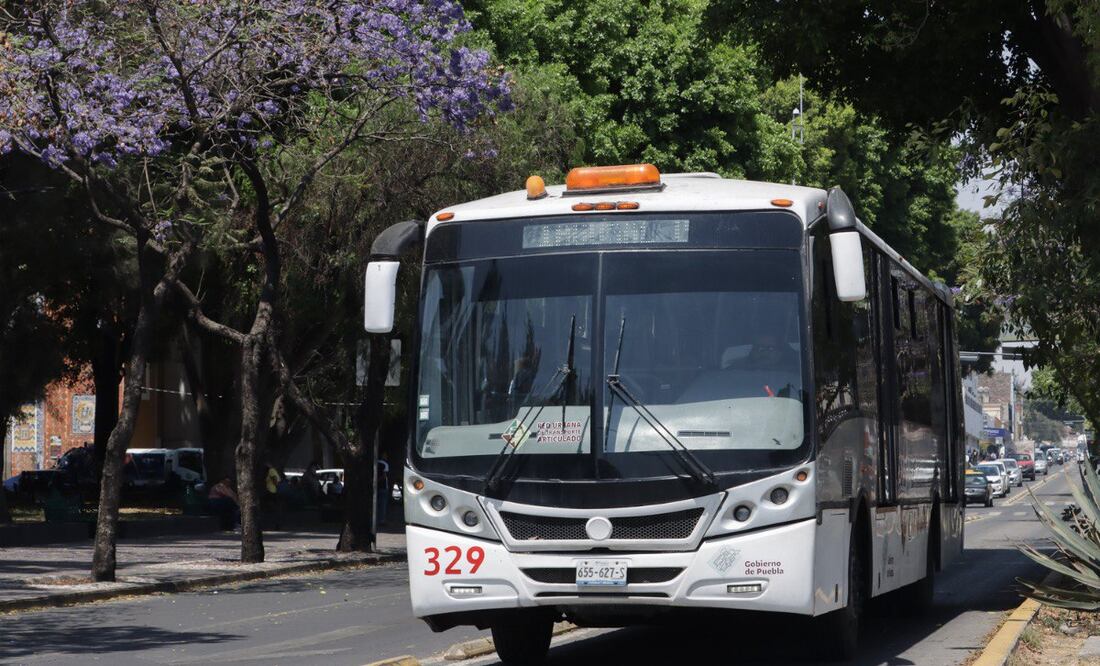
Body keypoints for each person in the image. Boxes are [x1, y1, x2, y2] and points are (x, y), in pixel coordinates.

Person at [376, 456, 391, 528]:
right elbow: (384, 476)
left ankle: (375, 519)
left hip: (375, 487)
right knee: (382, 504)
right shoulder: (385, 464)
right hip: (383, 486)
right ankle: (381, 520)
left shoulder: (373, 463)